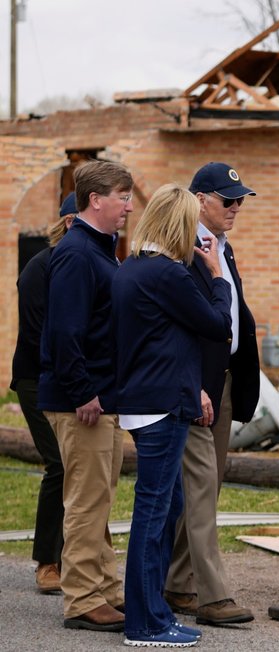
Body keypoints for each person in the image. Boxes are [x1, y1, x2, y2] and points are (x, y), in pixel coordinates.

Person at [113, 184, 234, 647]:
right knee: (155, 511)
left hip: (148, 399)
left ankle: (153, 611)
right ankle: (145, 623)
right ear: (180, 223)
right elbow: (217, 324)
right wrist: (217, 276)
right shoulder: (167, 273)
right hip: (159, 405)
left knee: (166, 508)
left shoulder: (132, 268)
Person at [164, 162, 260, 627]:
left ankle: (178, 583)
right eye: (228, 200)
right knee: (200, 488)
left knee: (209, 485)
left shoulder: (223, 247)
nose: (236, 207)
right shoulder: (182, 248)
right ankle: (211, 595)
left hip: (219, 382)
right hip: (194, 384)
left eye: (240, 200)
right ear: (200, 199)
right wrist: (194, 384)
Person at [38, 161, 132, 632]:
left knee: (100, 498)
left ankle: (107, 590)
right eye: (122, 196)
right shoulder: (77, 253)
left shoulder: (100, 251)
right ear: (95, 200)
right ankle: (82, 599)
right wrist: (83, 392)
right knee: (86, 501)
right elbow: (63, 331)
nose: (128, 206)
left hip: (103, 398)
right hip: (83, 402)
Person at [10, 193, 76, 594]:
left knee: (79, 469)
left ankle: (76, 556)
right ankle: (47, 561)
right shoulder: (40, 268)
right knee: (60, 465)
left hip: (72, 381)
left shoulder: (83, 263)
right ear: (70, 223)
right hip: (39, 380)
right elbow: (37, 335)